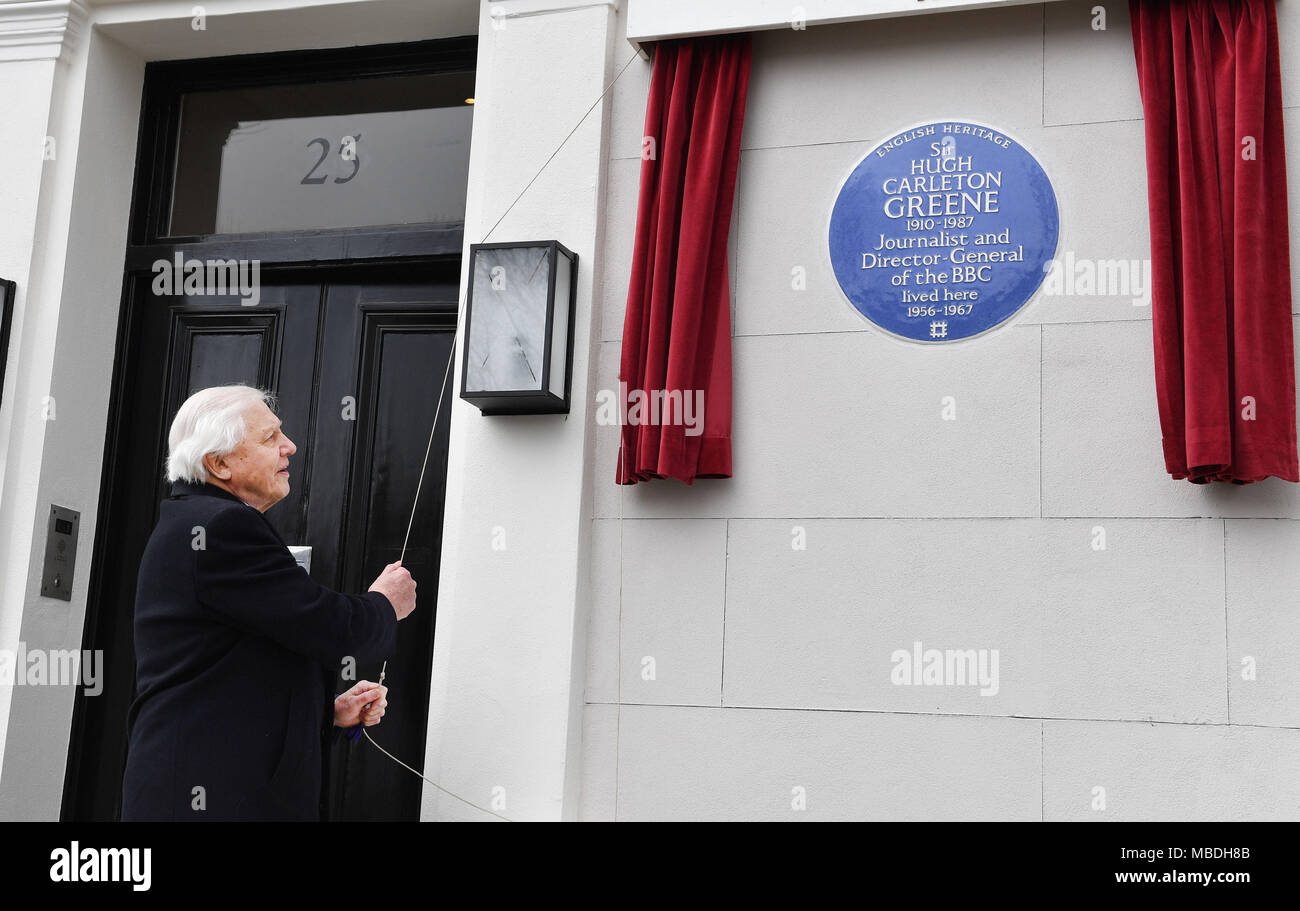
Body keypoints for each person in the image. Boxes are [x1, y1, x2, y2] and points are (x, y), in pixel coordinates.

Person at [120, 384, 417, 820]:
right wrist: (386, 603)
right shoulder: (221, 527)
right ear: (219, 464)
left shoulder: (203, 520)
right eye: (269, 438)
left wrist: (328, 714)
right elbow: (328, 628)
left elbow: (237, 666)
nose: (290, 447)